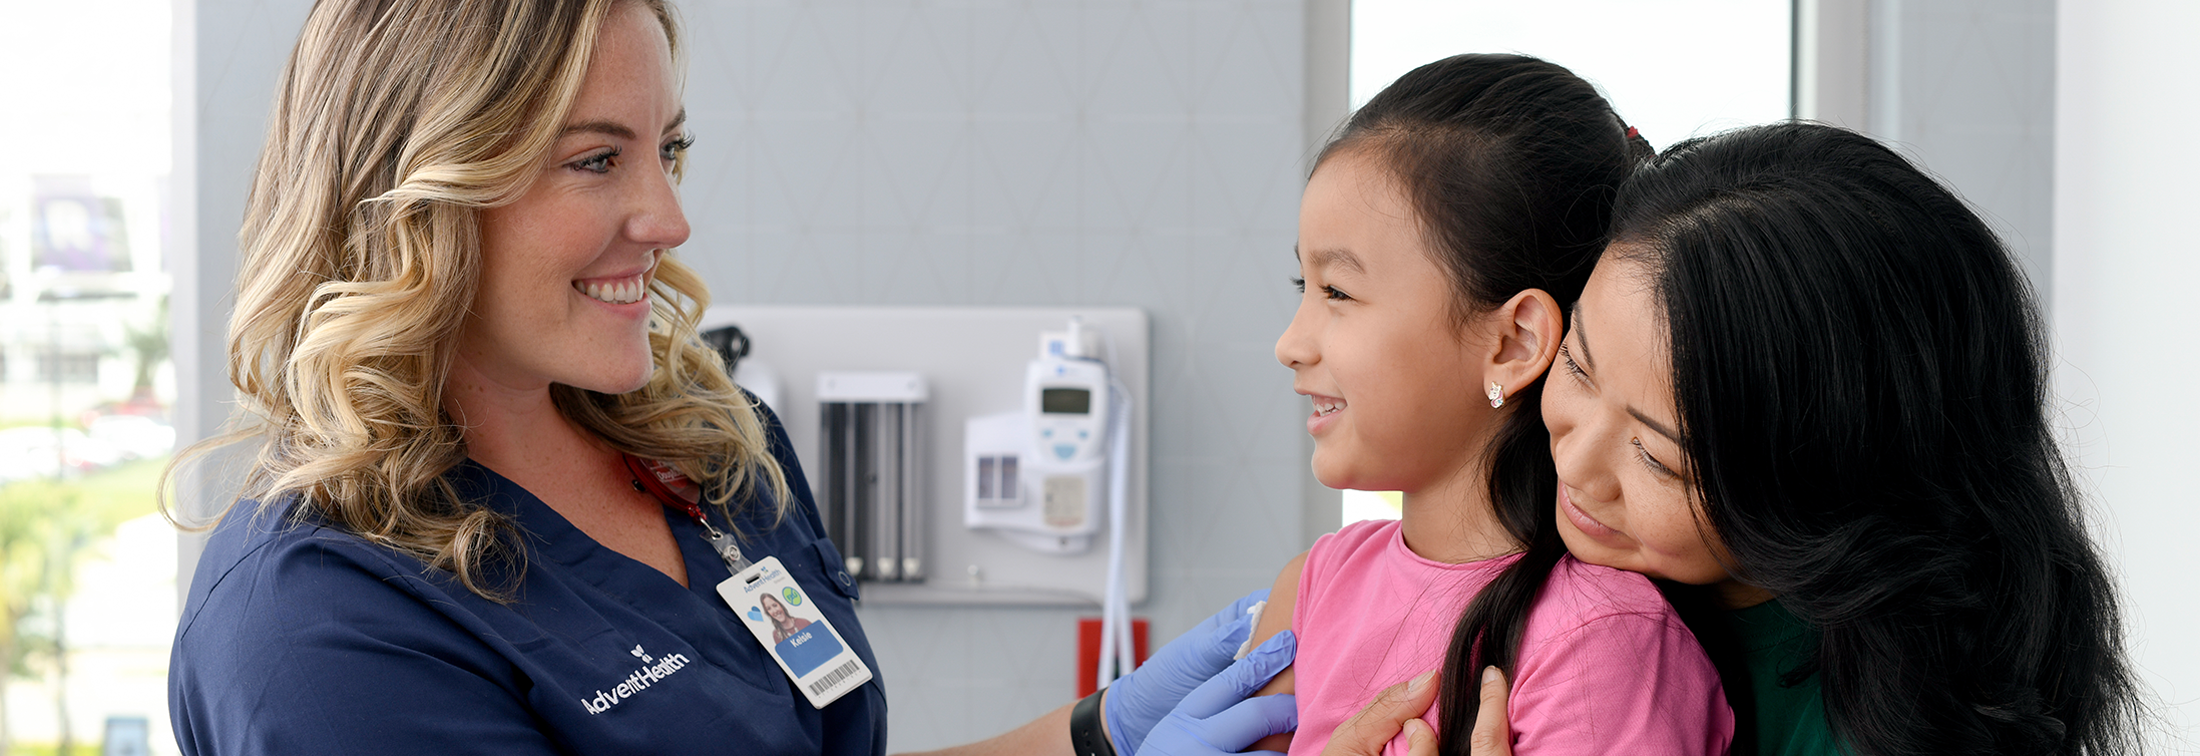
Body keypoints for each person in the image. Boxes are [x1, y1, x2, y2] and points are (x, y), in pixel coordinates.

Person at [164, 1, 1273, 753]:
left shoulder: (710, 449)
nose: (667, 217)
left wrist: (1101, 733)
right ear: (419, 190)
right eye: (597, 159)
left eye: (669, 151)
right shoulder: (319, 626)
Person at [1322, 123, 2147, 756]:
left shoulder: (1893, 719)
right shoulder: (1560, 578)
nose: (1574, 463)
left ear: (1823, 481)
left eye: (1657, 457)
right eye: (1578, 366)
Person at [1220, 54, 1734, 756]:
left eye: (1337, 292)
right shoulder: (1314, 586)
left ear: (1514, 343)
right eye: (1301, 285)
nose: (1290, 343)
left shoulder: (1599, 647)